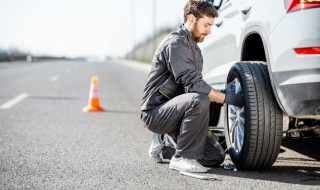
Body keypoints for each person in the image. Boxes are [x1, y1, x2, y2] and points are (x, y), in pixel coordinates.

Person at [140, 0, 243, 173]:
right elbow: (194, 86)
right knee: (198, 99)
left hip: (176, 111)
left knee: (214, 157)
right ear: (191, 18)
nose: (209, 31)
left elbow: (192, 88)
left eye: (211, 26)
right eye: (206, 25)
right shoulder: (176, 44)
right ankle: (182, 158)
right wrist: (228, 99)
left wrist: (222, 94)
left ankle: (165, 147)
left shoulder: (195, 50)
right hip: (155, 112)